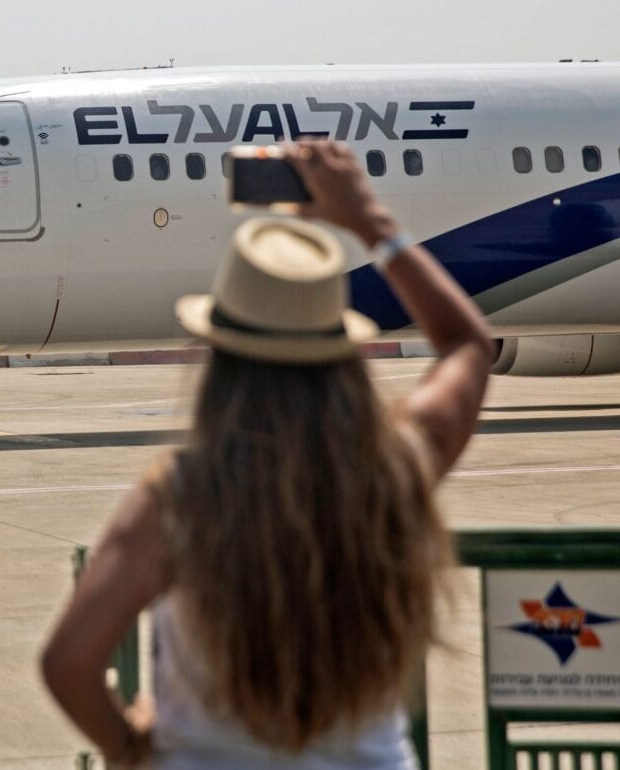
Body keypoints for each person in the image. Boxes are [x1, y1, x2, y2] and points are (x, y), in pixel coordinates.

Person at [41, 141, 494, 769]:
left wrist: (129, 746)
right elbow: (469, 345)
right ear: (339, 350)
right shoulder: (395, 470)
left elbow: (67, 663)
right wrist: (371, 223)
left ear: (221, 356)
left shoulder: (180, 499)